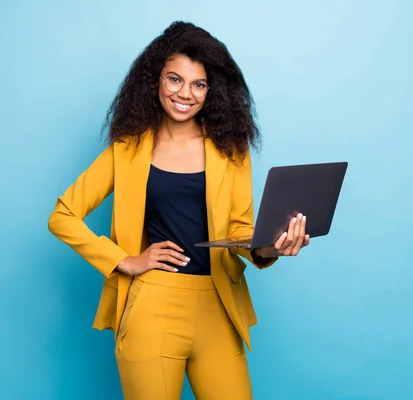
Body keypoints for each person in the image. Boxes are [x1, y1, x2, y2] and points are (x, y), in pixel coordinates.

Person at [47, 21, 309, 399]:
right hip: (151, 304)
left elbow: (240, 233)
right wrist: (124, 260)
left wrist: (275, 246)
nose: (185, 93)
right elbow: (62, 215)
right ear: (155, 80)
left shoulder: (231, 150)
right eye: (174, 79)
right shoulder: (128, 148)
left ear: (211, 90)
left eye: (198, 84)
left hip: (218, 306)